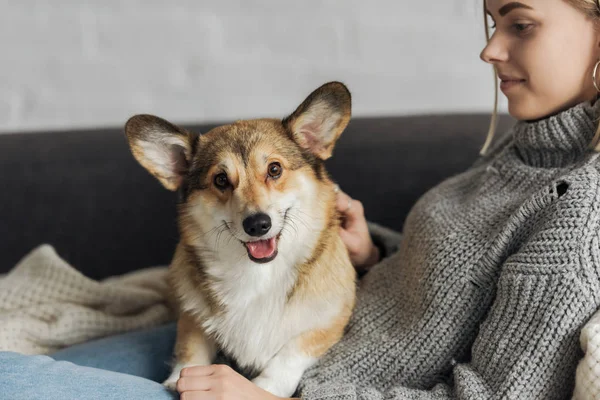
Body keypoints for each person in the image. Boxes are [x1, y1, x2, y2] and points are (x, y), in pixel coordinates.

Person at [3, 0, 600, 398]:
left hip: (309, 384)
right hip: (258, 340)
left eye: (520, 24)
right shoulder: (518, 154)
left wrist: (275, 395)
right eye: (491, 23)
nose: (490, 50)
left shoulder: (580, 211)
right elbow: (451, 289)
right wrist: (373, 252)